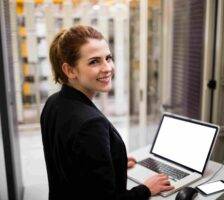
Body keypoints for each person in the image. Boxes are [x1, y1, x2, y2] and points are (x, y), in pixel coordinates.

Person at [40, 25, 174, 200]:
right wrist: (146, 189)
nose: (107, 68)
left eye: (108, 58)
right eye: (94, 61)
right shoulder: (90, 124)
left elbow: (70, 164)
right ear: (70, 70)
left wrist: (111, 163)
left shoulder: (54, 103)